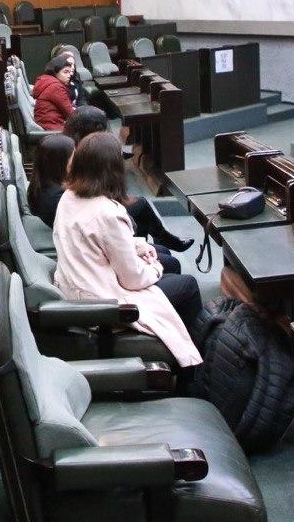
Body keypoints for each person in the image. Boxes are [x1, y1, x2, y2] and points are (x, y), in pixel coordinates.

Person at [51, 133, 202, 382]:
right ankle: (193, 376)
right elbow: (133, 279)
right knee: (187, 285)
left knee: (166, 259)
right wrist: (153, 267)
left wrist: (139, 246)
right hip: (102, 301)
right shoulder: (107, 212)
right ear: (113, 169)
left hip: (78, 285)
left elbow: (90, 239)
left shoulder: (70, 196)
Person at [30, 129, 190, 273]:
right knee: (170, 261)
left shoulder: (41, 186)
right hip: (95, 255)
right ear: (61, 162)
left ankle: (154, 240)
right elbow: (96, 226)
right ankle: (157, 239)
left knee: (160, 248)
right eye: (73, 155)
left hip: (90, 244)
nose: (76, 159)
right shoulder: (62, 198)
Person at [32, 53, 76, 131]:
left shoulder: (47, 81)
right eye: (65, 72)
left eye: (70, 72)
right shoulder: (56, 87)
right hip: (53, 127)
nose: (69, 75)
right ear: (55, 72)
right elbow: (71, 113)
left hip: (47, 124)